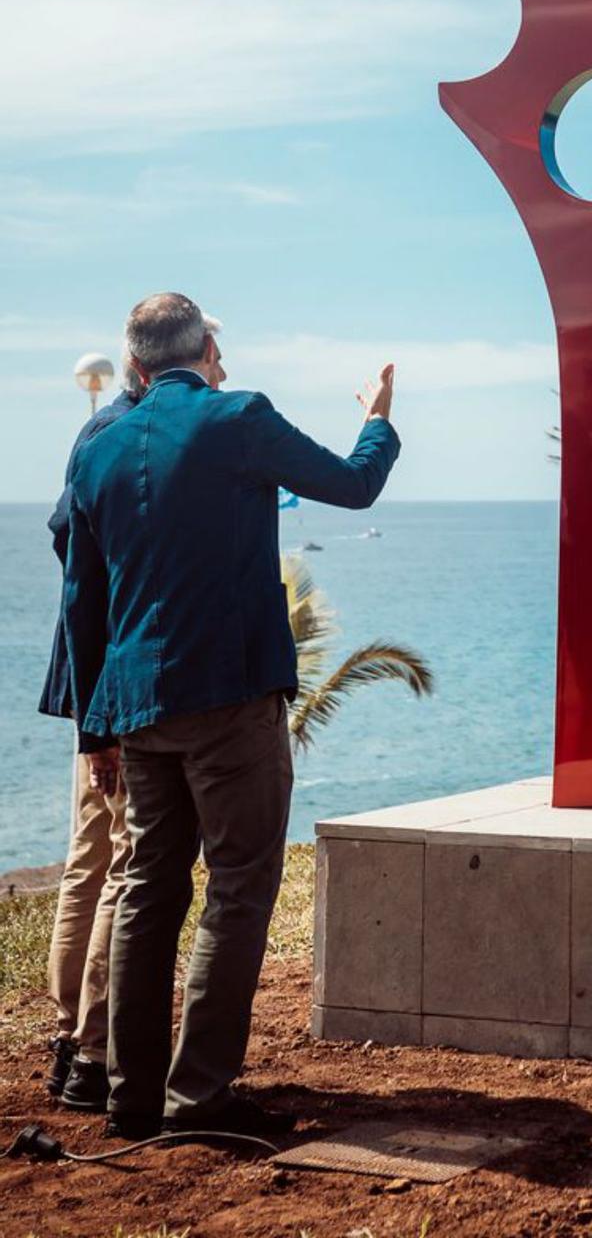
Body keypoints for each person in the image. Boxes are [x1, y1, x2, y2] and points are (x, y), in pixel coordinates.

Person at [62, 293, 400, 1141]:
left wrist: (93, 731)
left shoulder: (95, 445)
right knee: (240, 890)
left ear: (135, 367)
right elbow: (354, 485)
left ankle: (131, 1098)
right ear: (208, 346)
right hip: (230, 698)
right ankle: (199, 1100)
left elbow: (83, 601)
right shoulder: (238, 417)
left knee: (145, 891)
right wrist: (379, 421)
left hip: (135, 705)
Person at [40, 349, 149, 1109]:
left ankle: (67, 1026)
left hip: (92, 676)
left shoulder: (103, 430)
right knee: (115, 859)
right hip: (109, 679)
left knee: (93, 854)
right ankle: (87, 1040)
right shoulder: (120, 433)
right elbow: (68, 536)